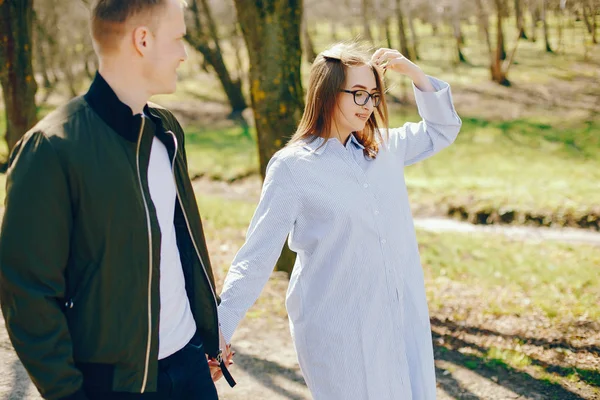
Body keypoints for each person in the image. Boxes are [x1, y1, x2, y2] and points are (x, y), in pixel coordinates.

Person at [0, 0, 233, 399]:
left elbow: (181, 243)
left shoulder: (165, 129)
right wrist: (69, 393)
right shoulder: (52, 148)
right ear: (142, 40)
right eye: (177, 38)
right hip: (114, 386)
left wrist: (208, 333)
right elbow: (27, 292)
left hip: (192, 367)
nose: (183, 53)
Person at [217, 42, 462, 400]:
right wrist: (220, 328)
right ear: (328, 93)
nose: (368, 106)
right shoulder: (292, 168)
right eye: (358, 94)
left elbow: (442, 129)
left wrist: (414, 74)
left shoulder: (384, 148)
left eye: (374, 96)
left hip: (398, 319)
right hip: (338, 330)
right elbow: (256, 256)